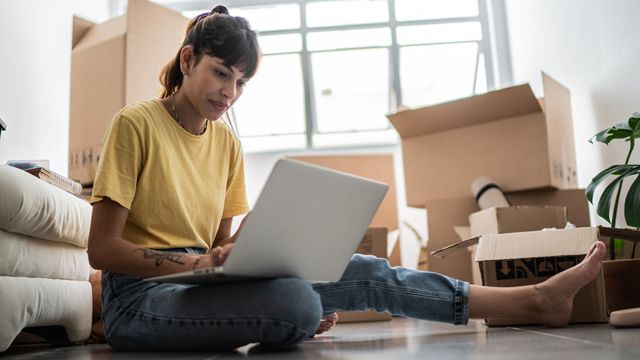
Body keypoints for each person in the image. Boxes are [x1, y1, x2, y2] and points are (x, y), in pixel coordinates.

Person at [87, 5, 606, 352]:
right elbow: (102, 250)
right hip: (137, 300)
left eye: (242, 82)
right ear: (187, 60)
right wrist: (201, 260)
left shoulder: (227, 144)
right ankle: (288, 314)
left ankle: (532, 300)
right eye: (221, 73)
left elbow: (221, 247)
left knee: (367, 271)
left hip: (198, 284)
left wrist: (244, 251)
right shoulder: (136, 124)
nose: (230, 92)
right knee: (296, 303)